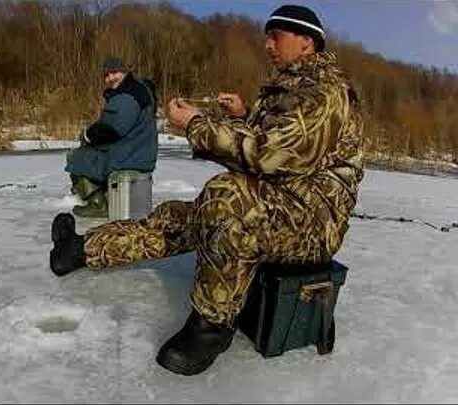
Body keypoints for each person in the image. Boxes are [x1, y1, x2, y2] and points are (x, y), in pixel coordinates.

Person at [50, 4, 364, 375]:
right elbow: (274, 145)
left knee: (227, 196)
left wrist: (196, 123)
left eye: (275, 36)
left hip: (311, 224)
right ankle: (81, 250)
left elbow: (271, 155)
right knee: (177, 216)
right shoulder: (291, 88)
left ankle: (211, 327)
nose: (267, 45)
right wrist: (240, 117)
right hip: (281, 203)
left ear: (306, 43)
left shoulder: (325, 93)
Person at [65, 56, 158, 217]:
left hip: (130, 156)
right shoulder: (139, 88)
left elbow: (113, 128)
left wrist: (88, 135)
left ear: (124, 71)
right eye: (106, 75)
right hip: (140, 151)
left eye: (114, 73)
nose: (110, 78)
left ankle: (97, 204)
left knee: (76, 157)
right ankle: (107, 195)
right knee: (91, 153)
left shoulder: (127, 96)